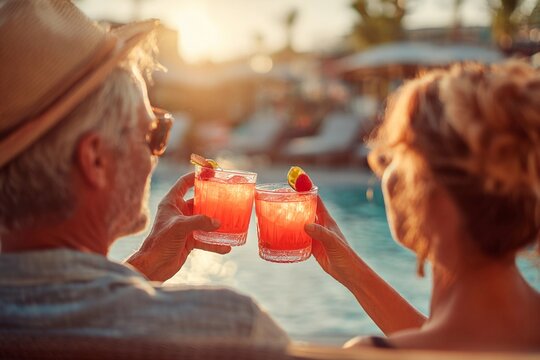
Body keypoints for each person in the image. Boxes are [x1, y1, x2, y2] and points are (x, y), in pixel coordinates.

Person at [0, 0, 288, 347]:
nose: (157, 156)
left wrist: (143, 267)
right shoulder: (228, 331)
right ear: (95, 160)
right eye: (155, 133)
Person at [305, 61, 540, 352]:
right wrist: (353, 272)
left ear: (431, 188)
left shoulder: (369, 358)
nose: (380, 166)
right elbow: (457, 346)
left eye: (398, 152)